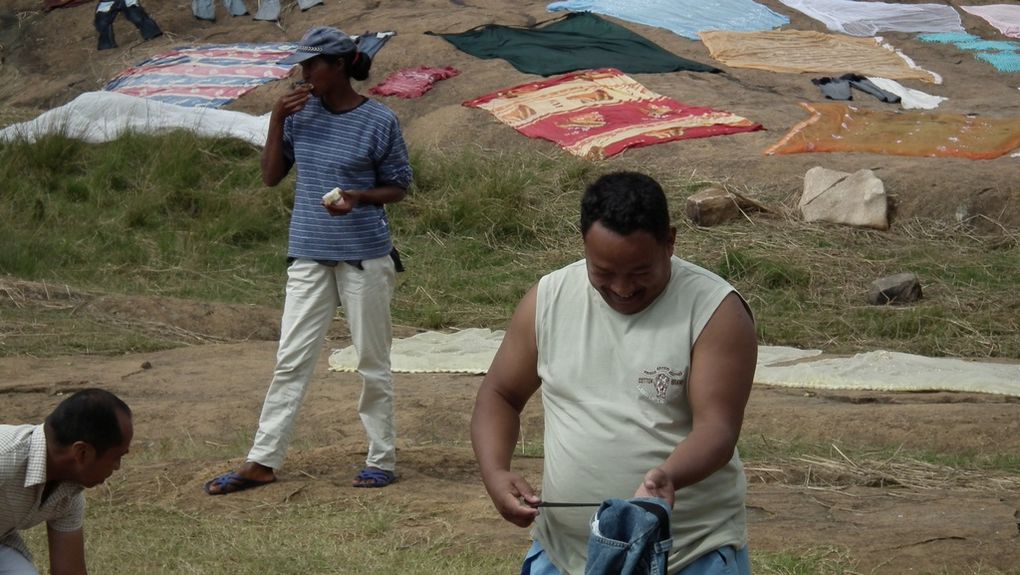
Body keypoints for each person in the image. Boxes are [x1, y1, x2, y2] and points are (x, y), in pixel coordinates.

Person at [471, 171, 758, 574]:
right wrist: (496, 472)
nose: (622, 288)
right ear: (585, 246)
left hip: (685, 555)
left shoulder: (714, 311)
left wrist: (667, 476)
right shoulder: (549, 300)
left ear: (670, 242)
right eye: (603, 272)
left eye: (640, 272)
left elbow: (718, 430)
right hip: (565, 556)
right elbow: (500, 395)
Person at [204, 26, 412, 495]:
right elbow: (271, 178)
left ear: (339, 66)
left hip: (364, 257)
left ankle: (382, 458)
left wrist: (358, 197)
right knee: (290, 360)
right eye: (301, 65)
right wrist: (276, 119)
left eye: (312, 64)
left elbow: (398, 185)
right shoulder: (299, 115)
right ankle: (262, 460)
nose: (303, 74)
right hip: (309, 255)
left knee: (371, 361)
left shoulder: (379, 120)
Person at [1, 389, 133, 575]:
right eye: (117, 457)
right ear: (82, 453)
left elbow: (69, 570)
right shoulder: (5, 458)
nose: (118, 467)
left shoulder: (68, 494)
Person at [94, 0, 162, 51]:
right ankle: (107, 44)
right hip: (107, 2)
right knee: (101, 21)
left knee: (136, 15)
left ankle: (152, 33)